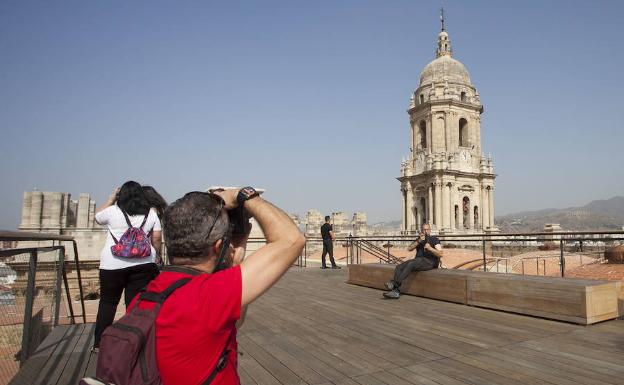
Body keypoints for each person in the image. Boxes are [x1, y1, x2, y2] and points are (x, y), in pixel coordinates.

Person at [129, 187, 305, 385]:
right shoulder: (208, 296)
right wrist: (245, 195)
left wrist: (236, 264)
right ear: (219, 246)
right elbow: (293, 240)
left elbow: (233, 322)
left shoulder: (145, 296)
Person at [93, 181, 162, 349]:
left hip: (112, 265)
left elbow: (97, 218)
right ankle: (132, 341)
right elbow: (157, 238)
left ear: (120, 196)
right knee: (134, 304)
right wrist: (157, 255)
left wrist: (111, 199)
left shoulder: (112, 212)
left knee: (108, 303)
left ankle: (99, 343)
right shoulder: (151, 214)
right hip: (143, 263)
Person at [383, 223, 443, 299]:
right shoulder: (419, 240)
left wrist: (430, 248)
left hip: (430, 262)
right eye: (424, 230)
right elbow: (409, 249)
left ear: (430, 230)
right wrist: (418, 241)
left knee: (412, 263)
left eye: (427, 229)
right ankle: (396, 291)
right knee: (399, 267)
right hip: (418, 261)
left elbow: (440, 254)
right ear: (421, 231)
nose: (425, 231)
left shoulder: (434, 239)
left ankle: (394, 284)